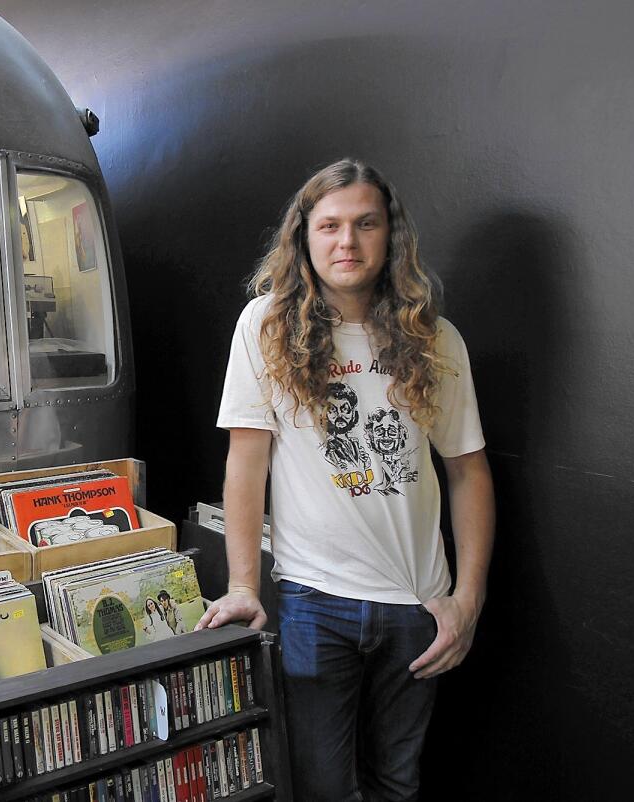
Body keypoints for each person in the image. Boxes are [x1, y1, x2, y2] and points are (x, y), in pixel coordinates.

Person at [197, 159, 495, 802]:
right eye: (329, 225)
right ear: (305, 237)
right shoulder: (266, 326)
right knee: (322, 789)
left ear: (392, 235)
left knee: (398, 783)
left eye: (366, 223)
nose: (347, 242)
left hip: (418, 607)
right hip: (313, 602)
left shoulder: (435, 339)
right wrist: (244, 584)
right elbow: (246, 463)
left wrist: (467, 603)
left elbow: (469, 472)